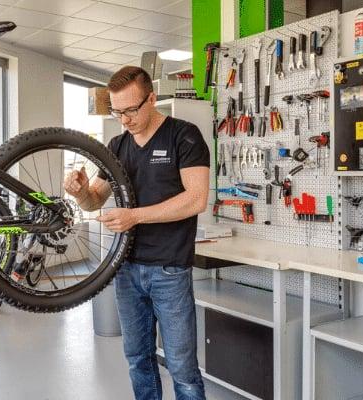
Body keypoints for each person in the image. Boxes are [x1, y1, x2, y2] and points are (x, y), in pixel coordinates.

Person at [63, 65, 210, 400]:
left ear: (152, 99)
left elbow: (196, 199)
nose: (124, 119)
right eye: (117, 112)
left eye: (131, 110)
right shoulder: (116, 145)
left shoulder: (184, 136)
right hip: (126, 268)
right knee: (138, 360)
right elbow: (94, 200)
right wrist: (80, 192)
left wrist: (134, 217)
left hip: (169, 269)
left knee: (182, 368)